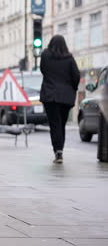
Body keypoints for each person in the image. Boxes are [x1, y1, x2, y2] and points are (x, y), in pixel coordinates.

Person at [40, 35, 80, 164]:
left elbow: (43, 70)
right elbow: (76, 76)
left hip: (50, 95)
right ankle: (60, 149)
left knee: (54, 124)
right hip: (66, 96)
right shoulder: (69, 58)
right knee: (61, 124)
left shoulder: (45, 55)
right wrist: (72, 88)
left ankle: (57, 150)